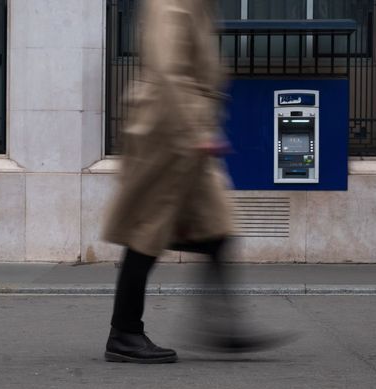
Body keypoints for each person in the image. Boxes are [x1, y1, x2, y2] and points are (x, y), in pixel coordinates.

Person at [102, 0, 293, 364]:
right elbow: (165, 71)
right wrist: (195, 132)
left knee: (215, 227)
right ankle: (125, 332)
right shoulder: (169, 3)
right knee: (148, 230)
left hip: (187, 130)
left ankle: (223, 327)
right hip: (168, 132)